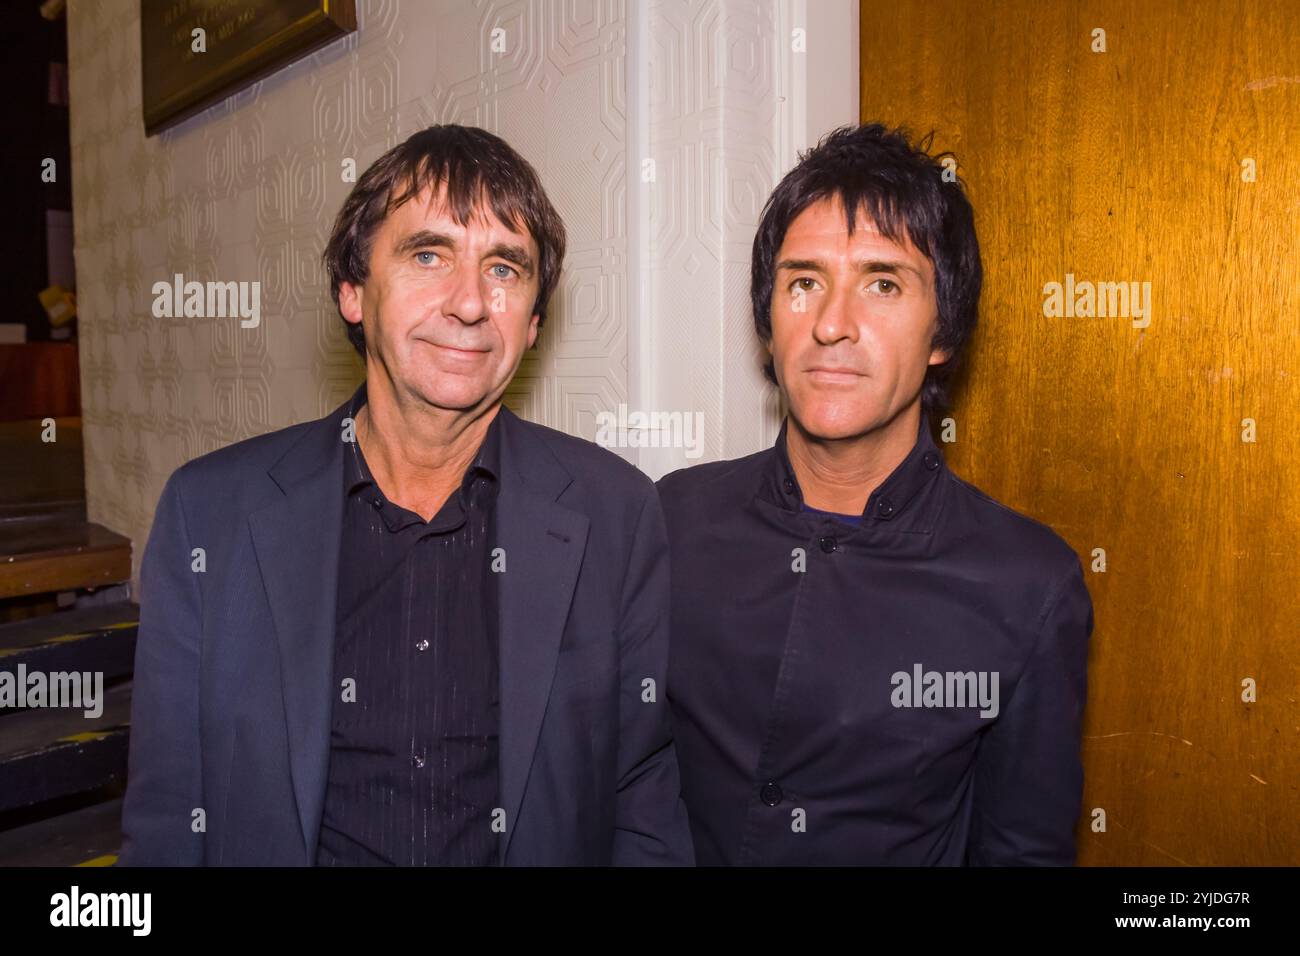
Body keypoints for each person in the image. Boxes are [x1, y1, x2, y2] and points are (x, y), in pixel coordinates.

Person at [120, 124, 693, 866]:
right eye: (429, 255)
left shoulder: (617, 513)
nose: (469, 302)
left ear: (534, 320)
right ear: (353, 292)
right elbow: (168, 818)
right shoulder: (210, 515)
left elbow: (641, 798)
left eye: (505, 269)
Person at [657, 123, 1093, 865]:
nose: (832, 324)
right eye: (804, 282)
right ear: (768, 319)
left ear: (942, 332)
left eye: (882, 283)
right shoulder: (670, 520)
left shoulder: (1028, 584)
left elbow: (1022, 851)